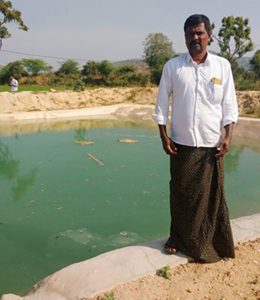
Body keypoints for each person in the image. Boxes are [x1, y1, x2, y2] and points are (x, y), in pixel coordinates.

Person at [153, 14, 238, 263]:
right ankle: (177, 238)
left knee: (211, 197)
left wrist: (228, 136)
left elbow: (229, 104)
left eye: (200, 33)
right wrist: (163, 135)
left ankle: (212, 240)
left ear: (209, 35)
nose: (195, 38)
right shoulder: (173, 67)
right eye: (190, 34)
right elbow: (161, 103)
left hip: (212, 144)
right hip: (181, 144)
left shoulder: (222, 66)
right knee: (179, 194)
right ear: (185, 37)